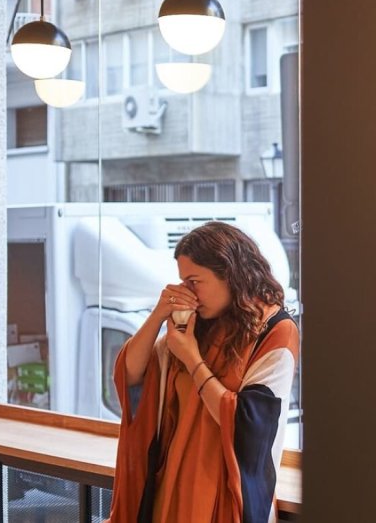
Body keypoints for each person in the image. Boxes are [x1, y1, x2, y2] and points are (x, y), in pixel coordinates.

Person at [109, 222, 299, 523]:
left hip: (226, 497)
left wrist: (192, 360)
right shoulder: (198, 325)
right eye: (183, 282)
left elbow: (247, 423)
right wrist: (158, 315)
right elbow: (130, 375)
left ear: (230, 274)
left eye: (194, 281)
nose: (188, 292)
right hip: (172, 489)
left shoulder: (276, 331)